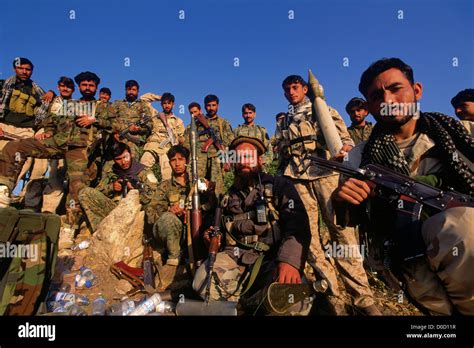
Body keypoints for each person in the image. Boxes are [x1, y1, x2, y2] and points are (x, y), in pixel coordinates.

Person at [333, 57, 474, 315]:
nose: (387, 101)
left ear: (417, 90)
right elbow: (348, 220)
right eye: (377, 96)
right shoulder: (360, 157)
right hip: (405, 260)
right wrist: (343, 200)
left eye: (395, 89)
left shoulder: (459, 134)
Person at [274, 74, 380, 315]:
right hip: (297, 179)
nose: (291, 92)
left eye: (295, 87)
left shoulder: (323, 109)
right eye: (287, 89)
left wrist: (345, 150)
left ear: (304, 89)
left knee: (342, 235)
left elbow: (344, 139)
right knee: (307, 238)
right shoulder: (283, 121)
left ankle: (363, 299)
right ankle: (332, 295)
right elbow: (281, 150)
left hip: (327, 174)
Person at [192, 136, 312, 314]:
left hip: (272, 258)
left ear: (260, 160)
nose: (243, 162)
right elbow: (219, 228)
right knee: (201, 282)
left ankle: (248, 303)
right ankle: (248, 304)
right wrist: (209, 235)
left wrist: (289, 261)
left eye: (248, 156)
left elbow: (298, 224)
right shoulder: (226, 197)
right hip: (235, 258)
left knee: (293, 300)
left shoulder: (279, 186)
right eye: (238, 158)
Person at [0, 71, 116, 248]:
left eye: (91, 85)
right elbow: (51, 120)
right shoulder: (71, 105)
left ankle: (69, 227)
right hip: (56, 142)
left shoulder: (102, 107)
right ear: (79, 87)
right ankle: (4, 189)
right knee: (15, 147)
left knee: (76, 185)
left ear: (96, 87)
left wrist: (95, 120)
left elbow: (117, 124)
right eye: (84, 85)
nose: (87, 88)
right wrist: (49, 131)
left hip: (79, 148)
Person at [146, 145, 215, 266]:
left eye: (181, 159)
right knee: (167, 219)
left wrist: (211, 191)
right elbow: (150, 214)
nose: (177, 164)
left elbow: (213, 205)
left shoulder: (198, 184)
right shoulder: (165, 187)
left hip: (197, 231)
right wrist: (169, 210)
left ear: (187, 161)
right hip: (176, 234)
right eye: (173, 160)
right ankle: (174, 258)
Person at [0, 57, 54, 204]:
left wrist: (51, 93)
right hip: (4, 127)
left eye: (28, 69)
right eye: (21, 68)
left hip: (26, 130)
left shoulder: (37, 91)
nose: (24, 72)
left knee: (22, 162)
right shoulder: (3, 85)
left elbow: (47, 107)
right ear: (14, 69)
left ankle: (8, 194)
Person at [78, 142, 157, 232]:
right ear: (114, 160)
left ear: (131, 155)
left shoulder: (144, 172)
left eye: (125, 157)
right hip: (114, 210)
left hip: (133, 212)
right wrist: (111, 187)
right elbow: (97, 191)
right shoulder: (111, 171)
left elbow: (153, 197)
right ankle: (101, 231)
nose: (123, 162)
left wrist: (135, 192)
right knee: (85, 193)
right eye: (118, 159)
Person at [183, 96, 234, 195]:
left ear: (218, 106)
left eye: (214, 105)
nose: (211, 108)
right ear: (205, 107)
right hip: (200, 157)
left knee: (217, 186)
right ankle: (197, 206)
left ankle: (215, 207)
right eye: (209, 105)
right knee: (196, 183)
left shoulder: (223, 122)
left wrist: (222, 146)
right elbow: (187, 140)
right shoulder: (197, 122)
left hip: (217, 157)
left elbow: (231, 139)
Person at [140, 92, 185, 181]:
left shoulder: (178, 121)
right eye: (164, 103)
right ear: (161, 104)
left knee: (167, 176)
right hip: (152, 146)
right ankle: (154, 184)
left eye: (169, 103)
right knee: (142, 167)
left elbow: (182, 138)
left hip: (167, 150)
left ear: (173, 104)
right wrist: (160, 97)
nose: (167, 105)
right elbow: (143, 99)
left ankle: (163, 192)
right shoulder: (155, 115)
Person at [111, 80, 153, 158]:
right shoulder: (117, 104)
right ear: (125, 90)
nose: (131, 92)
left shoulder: (143, 106)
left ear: (137, 91)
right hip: (117, 139)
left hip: (133, 142)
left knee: (131, 164)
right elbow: (110, 119)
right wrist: (116, 130)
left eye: (134, 90)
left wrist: (138, 129)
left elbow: (149, 125)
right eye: (129, 89)